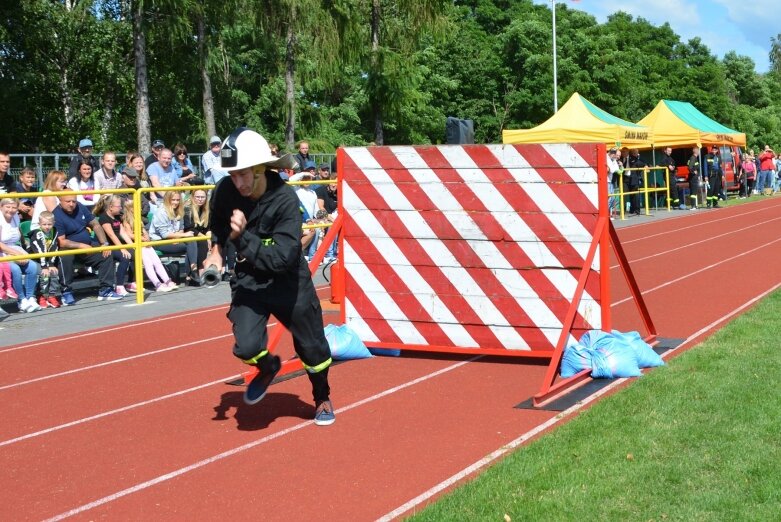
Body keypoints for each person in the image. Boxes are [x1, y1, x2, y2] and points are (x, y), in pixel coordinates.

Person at [203, 127, 335, 425]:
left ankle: (322, 397)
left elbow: (281, 258)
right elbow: (219, 229)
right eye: (232, 174)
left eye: (243, 174)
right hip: (250, 281)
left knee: (313, 349)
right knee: (247, 346)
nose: (236, 182)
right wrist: (215, 251)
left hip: (289, 282)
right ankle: (267, 366)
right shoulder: (225, 191)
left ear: (261, 169)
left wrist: (243, 238)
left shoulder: (285, 200)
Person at [54, 194, 122, 303]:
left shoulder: (80, 206)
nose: (72, 204)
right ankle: (66, 292)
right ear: (60, 201)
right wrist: (82, 246)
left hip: (88, 243)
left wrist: (104, 243)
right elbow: (61, 242)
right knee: (65, 257)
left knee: (107, 253)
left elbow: (95, 224)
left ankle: (106, 290)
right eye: (68, 201)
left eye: (74, 201)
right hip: (68, 247)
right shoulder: (56, 215)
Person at [121, 200, 177, 292]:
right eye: (138, 207)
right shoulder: (126, 220)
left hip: (145, 244)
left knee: (157, 262)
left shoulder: (138, 219)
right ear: (131, 209)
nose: (141, 208)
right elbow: (130, 235)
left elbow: (144, 231)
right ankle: (157, 284)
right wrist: (142, 239)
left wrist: (147, 237)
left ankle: (167, 281)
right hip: (137, 245)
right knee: (148, 264)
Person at [148, 191, 199, 283]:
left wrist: (177, 238)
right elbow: (165, 234)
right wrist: (182, 236)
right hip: (159, 241)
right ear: (167, 200)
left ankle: (192, 271)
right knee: (190, 245)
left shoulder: (180, 211)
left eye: (178, 200)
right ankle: (192, 273)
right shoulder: (161, 212)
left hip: (174, 239)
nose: (176, 202)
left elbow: (181, 228)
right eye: (173, 200)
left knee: (191, 242)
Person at [0, 198, 41, 312]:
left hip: (14, 248)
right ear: (1, 207)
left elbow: (19, 233)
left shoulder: (16, 217)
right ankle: (21, 300)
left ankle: (30, 298)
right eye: (8, 207)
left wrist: (24, 246)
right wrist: (17, 254)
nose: (11, 210)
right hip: (3, 251)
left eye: (14, 207)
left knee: (32, 267)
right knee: (15, 269)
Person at [94, 194, 135, 296]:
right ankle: (119, 285)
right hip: (109, 246)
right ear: (111, 207)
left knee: (135, 253)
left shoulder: (117, 217)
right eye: (119, 206)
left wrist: (133, 245)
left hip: (117, 245)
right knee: (124, 257)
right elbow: (112, 235)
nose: (121, 208)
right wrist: (122, 249)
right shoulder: (104, 218)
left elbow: (122, 233)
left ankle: (131, 282)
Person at [28, 210, 62, 308]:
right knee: (44, 275)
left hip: (47, 260)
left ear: (53, 223)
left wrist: (51, 264)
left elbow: (54, 248)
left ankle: (52, 295)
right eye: (44, 224)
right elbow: (40, 251)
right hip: (37, 259)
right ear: (39, 224)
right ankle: (42, 296)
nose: (47, 227)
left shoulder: (54, 231)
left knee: (54, 272)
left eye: (49, 224)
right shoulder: (37, 234)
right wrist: (44, 266)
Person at [183, 189, 211, 272]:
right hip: (188, 234)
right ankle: (200, 270)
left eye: (202, 197)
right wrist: (205, 238)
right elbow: (189, 227)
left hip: (200, 235)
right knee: (201, 242)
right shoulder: (187, 209)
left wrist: (209, 236)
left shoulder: (206, 209)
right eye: (197, 197)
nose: (200, 199)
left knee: (217, 240)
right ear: (193, 197)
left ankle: (223, 271)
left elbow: (208, 227)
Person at [315, 170, 338, 262]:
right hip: (320, 215)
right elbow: (321, 208)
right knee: (333, 226)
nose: (333, 185)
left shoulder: (338, 193)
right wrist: (332, 219)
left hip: (331, 217)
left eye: (336, 183)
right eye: (332, 182)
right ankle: (329, 254)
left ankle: (334, 252)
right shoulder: (321, 190)